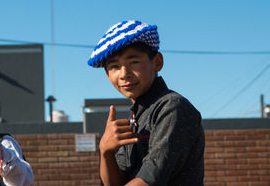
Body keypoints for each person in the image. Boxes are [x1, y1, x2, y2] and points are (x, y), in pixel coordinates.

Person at [87, 20, 205, 186]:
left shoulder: (172, 107)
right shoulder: (135, 117)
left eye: (133, 62)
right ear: (107, 74)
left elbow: (149, 181)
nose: (124, 74)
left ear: (157, 62)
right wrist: (105, 151)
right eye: (114, 66)